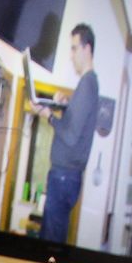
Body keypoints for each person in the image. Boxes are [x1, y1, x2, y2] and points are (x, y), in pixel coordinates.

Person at [36, 23, 100, 244]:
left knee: (51, 243)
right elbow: (76, 125)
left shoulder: (88, 84)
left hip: (64, 177)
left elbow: (71, 136)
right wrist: (65, 106)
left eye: (74, 48)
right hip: (66, 177)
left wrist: (49, 115)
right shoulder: (88, 85)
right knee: (51, 239)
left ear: (87, 49)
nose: (71, 56)